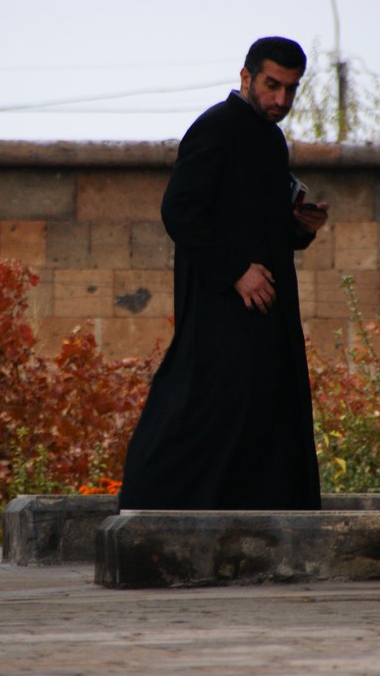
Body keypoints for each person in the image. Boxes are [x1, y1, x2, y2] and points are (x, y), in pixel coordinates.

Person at [118, 36, 330, 511]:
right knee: (202, 410)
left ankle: (263, 524)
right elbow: (180, 210)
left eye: (291, 89)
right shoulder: (216, 127)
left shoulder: (270, 139)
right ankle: (146, 516)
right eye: (272, 85)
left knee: (264, 416)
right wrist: (236, 272)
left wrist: (300, 227)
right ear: (246, 77)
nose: (281, 99)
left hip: (265, 311)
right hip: (221, 309)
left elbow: (256, 223)